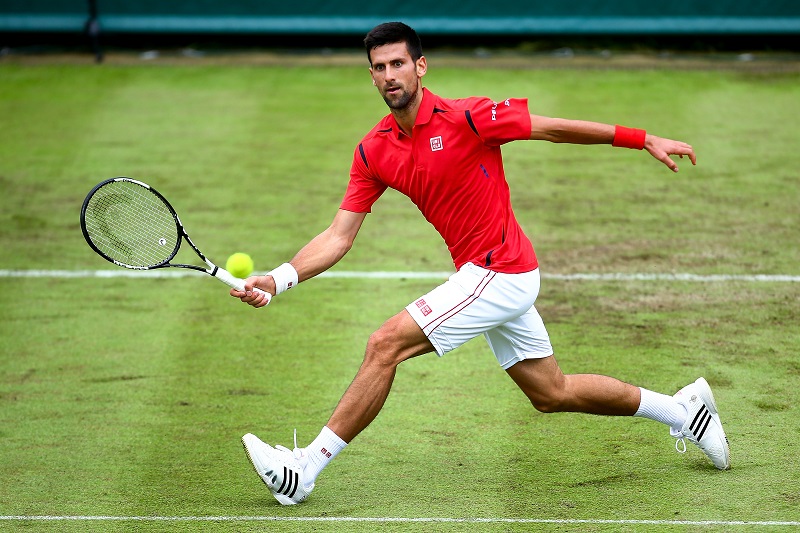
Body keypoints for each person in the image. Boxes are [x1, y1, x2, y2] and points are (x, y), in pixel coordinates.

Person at [233, 22, 730, 506]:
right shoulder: (373, 150)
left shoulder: (470, 117)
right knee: (550, 392)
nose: (389, 75)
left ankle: (305, 470)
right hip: (489, 275)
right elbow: (339, 235)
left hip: (501, 270)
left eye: (399, 63)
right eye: (379, 67)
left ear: (420, 67)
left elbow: (555, 130)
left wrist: (641, 138)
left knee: (384, 345)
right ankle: (682, 410)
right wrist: (278, 279)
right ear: (371, 75)